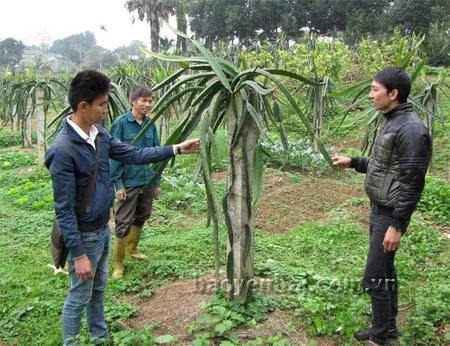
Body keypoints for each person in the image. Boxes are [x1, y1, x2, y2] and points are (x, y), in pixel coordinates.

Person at [45, 70, 199, 345]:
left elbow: (133, 153)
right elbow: (64, 209)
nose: (106, 110)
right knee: (79, 295)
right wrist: (78, 254)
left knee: (99, 288)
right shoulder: (64, 149)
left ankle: (99, 338)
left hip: (103, 228)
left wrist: (175, 149)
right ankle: (71, 342)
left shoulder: (99, 135)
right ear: (84, 106)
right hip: (84, 235)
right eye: (102, 104)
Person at [332, 67, 431, 346]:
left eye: (375, 89)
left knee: (374, 277)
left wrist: (397, 225)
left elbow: (412, 182)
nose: (370, 94)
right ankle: (387, 327)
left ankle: (378, 340)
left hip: (389, 213)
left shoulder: (410, 129)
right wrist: (353, 161)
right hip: (380, 209)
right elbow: (383, 166)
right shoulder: (391, 120)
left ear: (393, 93)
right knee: (385, 272)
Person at [109, 85, 161, 279]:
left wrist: (156, 182)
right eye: (144, 101)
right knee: (123, 221)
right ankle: (118, 264)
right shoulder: (121, 123)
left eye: (150, 101)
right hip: (128, 180)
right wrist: (118, 184)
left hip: (146, 180)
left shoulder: (151, 124)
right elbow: (113, 155)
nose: (147, 105)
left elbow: (156, 152)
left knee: (142, 216)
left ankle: (132, 249)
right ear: (133, 101)